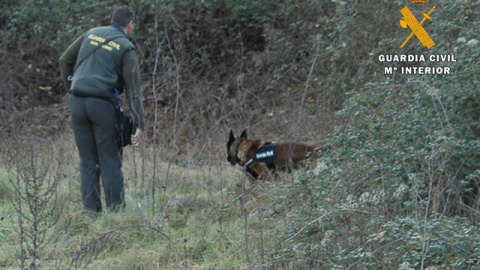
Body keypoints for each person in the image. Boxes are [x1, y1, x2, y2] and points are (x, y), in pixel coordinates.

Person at [59, 7, 144, 213]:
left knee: (88, 162)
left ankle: (91, 215)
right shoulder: (126, 48)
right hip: (103, 106)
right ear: (130, 24)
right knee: (110, 160)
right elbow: (133, 91)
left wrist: (72, 87)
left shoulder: (91, 33)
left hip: (77, 103)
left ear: (111, 20)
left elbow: (64, 60)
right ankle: (116, 217)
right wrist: (139, 123)